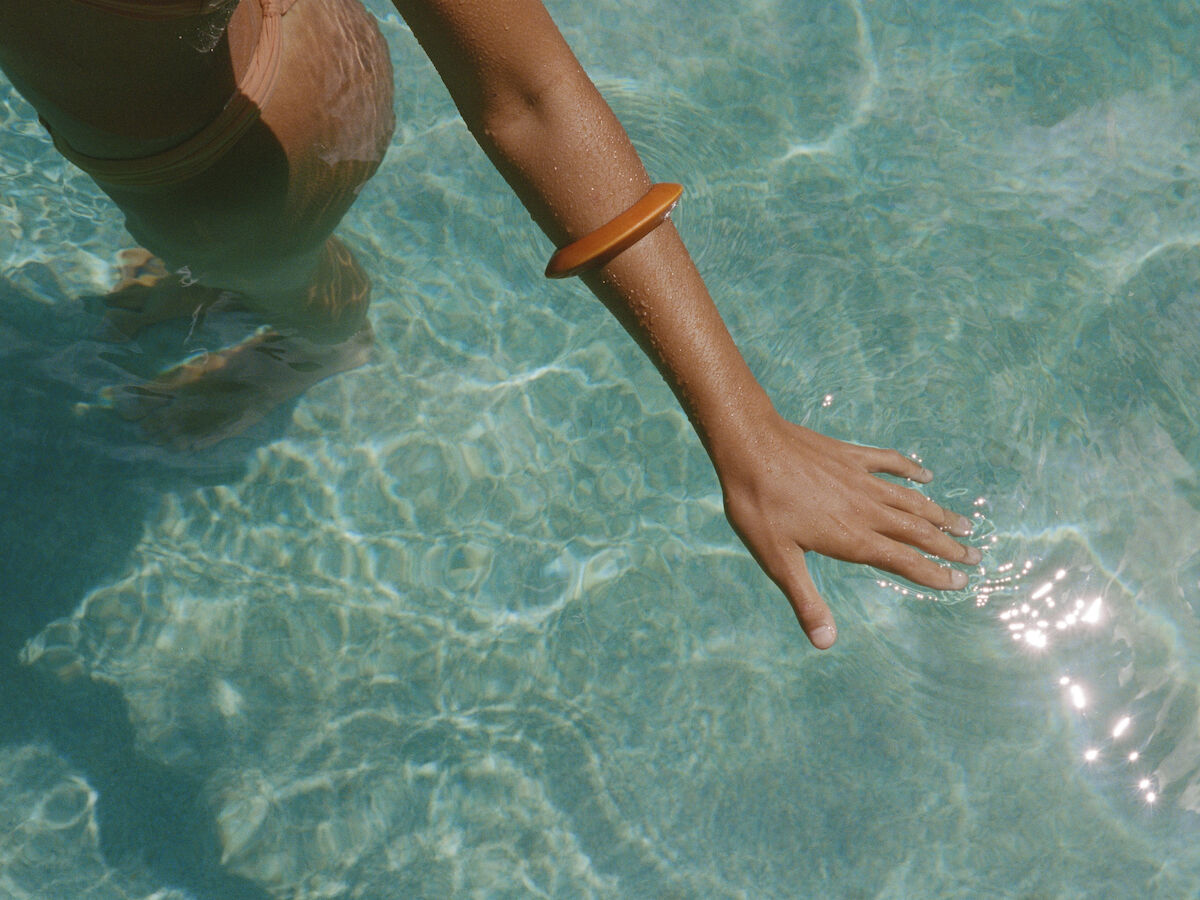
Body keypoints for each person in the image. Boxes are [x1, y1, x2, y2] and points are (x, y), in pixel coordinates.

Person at [0, 0, 980, 649]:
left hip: (231, 178)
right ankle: (230, 277)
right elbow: (527, 89)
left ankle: (316, 345)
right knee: (230, 245)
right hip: (302, 64)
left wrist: (742, 422)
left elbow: (532, 96)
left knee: (287, 282)